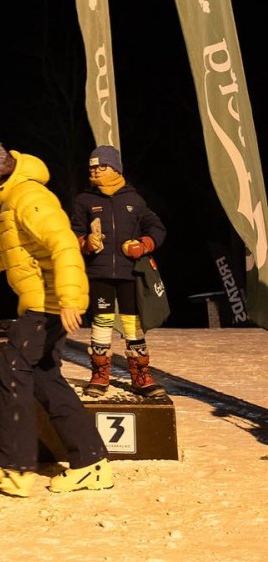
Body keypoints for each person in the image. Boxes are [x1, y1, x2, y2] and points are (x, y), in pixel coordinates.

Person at [0, 138, 113, 498]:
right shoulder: (6, 204)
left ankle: (15, 467)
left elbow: (64, 244)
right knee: (46, 378)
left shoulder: (29, 197)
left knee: (13, 364)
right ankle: (91, 463)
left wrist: (70, 299)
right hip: (43, 302)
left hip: (49, 303)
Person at [70, 145, 167, 398]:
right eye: (92, 167)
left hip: (130, 274)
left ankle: (141, 376)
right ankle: (99, 374)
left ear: (115, 168)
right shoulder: (84, 200)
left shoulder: (134, 200)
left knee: (133, 324)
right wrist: (86, 243)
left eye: (101, 166)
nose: (95, 171)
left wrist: (143, 245)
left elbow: (157, 228)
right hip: (99, 273)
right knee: (101, 322)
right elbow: (73, 234)